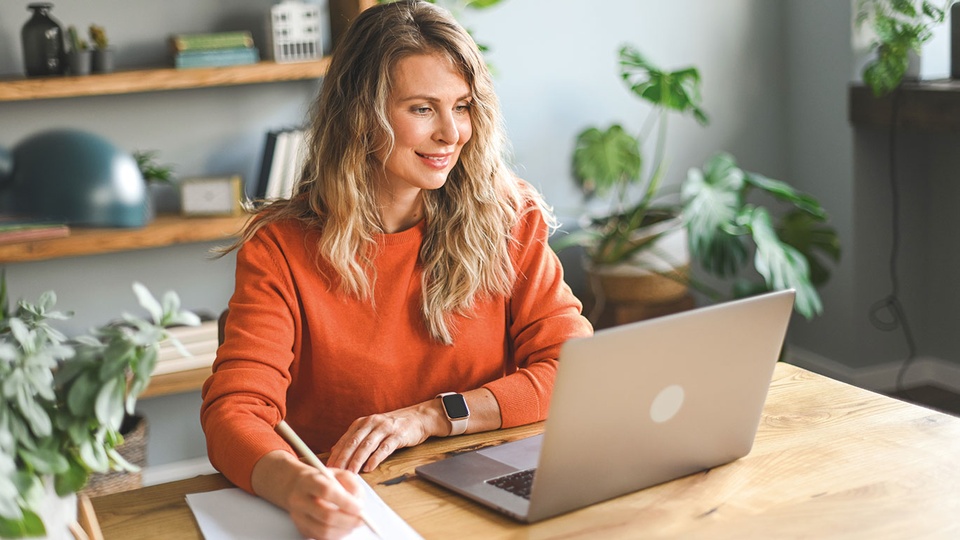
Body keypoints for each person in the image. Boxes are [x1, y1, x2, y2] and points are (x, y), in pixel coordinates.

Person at [200, 1, 592, 537]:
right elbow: (235, 411)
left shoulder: (508, 218)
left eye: (463, 105)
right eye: (422, 109)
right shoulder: (281, 248)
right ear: (361, 116)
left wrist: (432, 415)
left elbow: (573, 365)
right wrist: (295, 486)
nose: (452, 133)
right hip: (356, 505)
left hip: (487, 492)